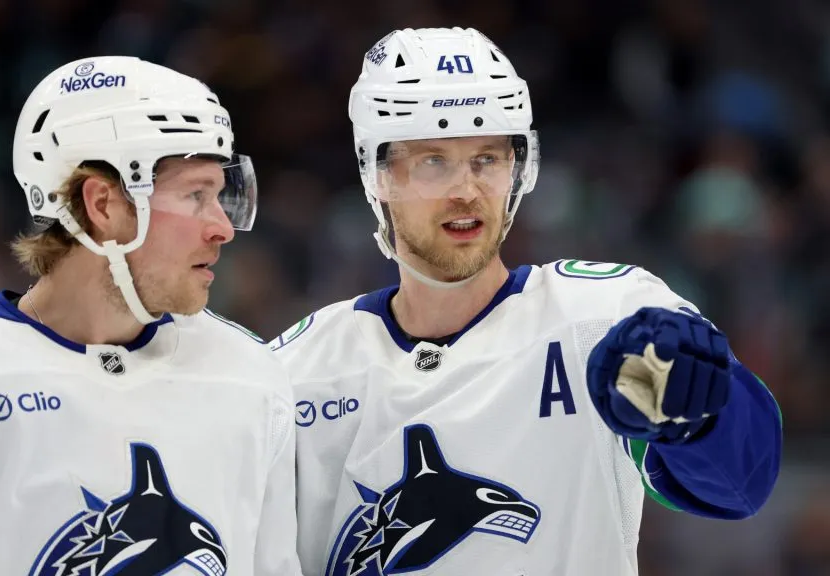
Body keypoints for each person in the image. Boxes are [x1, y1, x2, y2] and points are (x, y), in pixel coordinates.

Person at [271, 28, 782, 576]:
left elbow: (741, 484)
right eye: (433, 162)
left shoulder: (604, 318)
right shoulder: (294, 372)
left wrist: (695, 416)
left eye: (486, 159)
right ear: (378, 175)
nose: (466, 190)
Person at [0, 56, 301, 576]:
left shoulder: (251, 375)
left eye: (222, 195)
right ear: (104, 204)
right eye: (196, 195)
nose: (222, 228)